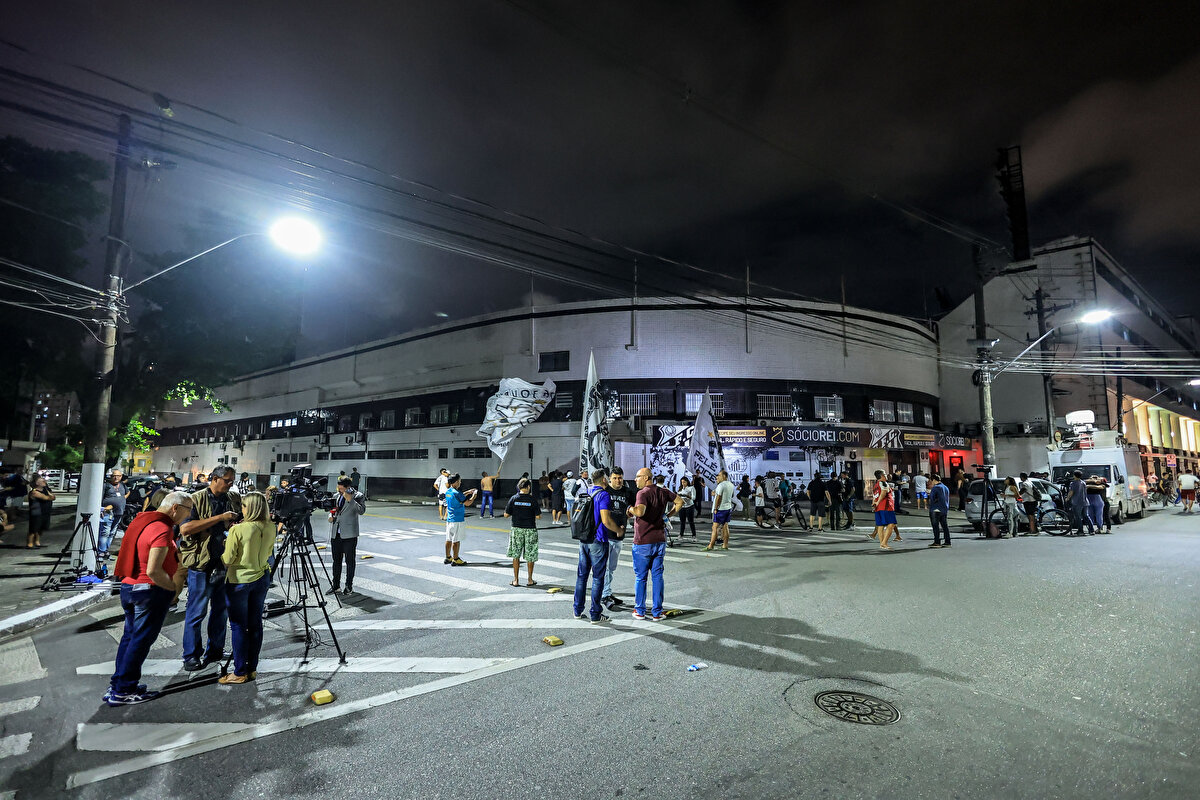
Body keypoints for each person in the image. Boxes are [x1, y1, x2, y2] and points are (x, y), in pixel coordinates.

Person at [105, 490, 193, 706]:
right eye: (188, 511)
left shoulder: (143, 520)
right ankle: (124, 690)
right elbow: (154, 569)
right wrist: (171, 588)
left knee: (130, 638)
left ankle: (118, 684)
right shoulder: (162, 528)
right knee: (140, 641)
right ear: (175, 508)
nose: (188, 516)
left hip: (130, 586)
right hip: (149, 590)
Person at [178, 466, 241, 671]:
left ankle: (215, 649)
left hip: (225, 563)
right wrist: (220, 518)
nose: (230, 484)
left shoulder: (232, 498)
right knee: (196, 612)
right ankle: (191, 655)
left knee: (220, 611)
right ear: (214, 479)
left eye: (232, 480)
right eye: (227, 480)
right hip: (201, 564)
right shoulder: (195, 499)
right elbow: (185, 529)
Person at [219, 492, 274, 684]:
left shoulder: (238, 529)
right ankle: (252, 668)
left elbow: (228, 559)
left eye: (243, 506)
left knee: (238, 625)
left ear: (248, 508)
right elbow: (269, 553)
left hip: (239, 580)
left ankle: (239, 671)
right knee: (255, 623)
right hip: (262, 576)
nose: (241, 509)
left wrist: (225, 545)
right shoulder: (270, 527)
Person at [628, 467, 683, 621]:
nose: (635, 479)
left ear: (646, 478)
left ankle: (640, 610)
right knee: (657, 577)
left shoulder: (642, 493)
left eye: (638, 476)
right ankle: (657, 612)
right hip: (659, 540)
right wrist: (667, 516)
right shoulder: (663, 491)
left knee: (641, 577)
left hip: (643, 541)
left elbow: (640, 512)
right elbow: (680, 502)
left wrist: (630, 509)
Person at [573, 469, 618, 623]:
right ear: (604, 479)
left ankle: (577, 610)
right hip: (598, 540)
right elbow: (606, 520)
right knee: (598, 578)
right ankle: (595, 614)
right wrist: (618, 530)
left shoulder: (585, 492)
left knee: (582, 577)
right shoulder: (603, 495)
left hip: (584, 539)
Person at [601, 466, 636, 608]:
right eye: (615, 478)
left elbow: (633, 508)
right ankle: (604, 594)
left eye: (620, 478)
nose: (617, 481)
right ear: (610, 478)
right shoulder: (605, 491)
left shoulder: (628, 492)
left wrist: (630, 514)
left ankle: (607, 591)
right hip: (605, 535)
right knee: (605, 567)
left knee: (612, 567)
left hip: (619, 535)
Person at [329, 477, 366, 594]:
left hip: (349, 534)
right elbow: (333, 509)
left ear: (348, 487)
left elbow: (361, 511)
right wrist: (330, 516)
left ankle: (349, 586)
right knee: (336, 561)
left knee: (350, 561)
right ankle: (335, 585)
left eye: (341, 489)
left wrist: (351, 500)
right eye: (338, 488)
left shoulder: (358, 496)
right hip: (336, 533)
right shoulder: (336, 495)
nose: (339, 490)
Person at [504, 477, 541, 586]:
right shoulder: (532, 499)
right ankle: (530, 580)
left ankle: (516, 580)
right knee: (530, 555)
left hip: (516, 529)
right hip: (530, 529)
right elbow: (538, 516)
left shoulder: (513, 498)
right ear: (528, 487)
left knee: (516, 555)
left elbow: (506, 515)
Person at [443, 473, 477, 566]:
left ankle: (448, 557)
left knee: (448, 539)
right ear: (455, 482)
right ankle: (456, 559)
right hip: (457, 520)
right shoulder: (457, 493)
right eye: (459, 481)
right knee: (456, 540)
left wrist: (467, 492)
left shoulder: (448, 492)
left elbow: (458, 496)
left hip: (450, 519)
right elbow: (468, 503)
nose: (460, 482)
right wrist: (473, 496)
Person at [97, 469, 127, 560]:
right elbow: (99, 498)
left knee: (112, 533)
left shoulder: (122, 485)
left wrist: (123, 499)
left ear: (121, 477)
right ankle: (101, 552)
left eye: (118, 476)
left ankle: (106, 551)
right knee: (105, 532)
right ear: (111, 476)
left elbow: (128, 492)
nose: (116, 477)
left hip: (119, 512)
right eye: (114, 475)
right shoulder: (106, 485)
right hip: (108, 512)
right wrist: (102, 509)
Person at [706, 470, 735, 550]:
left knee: (714, 527)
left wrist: (716, 508)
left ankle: (711, 545)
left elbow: (718, 498)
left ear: (724, 476)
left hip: (720, 509)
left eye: (719, 475)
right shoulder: (731, 484)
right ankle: (725, 545)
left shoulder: (721, 485)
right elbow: (732, 495)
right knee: (725, 526)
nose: (717, 477)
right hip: (728, 508)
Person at [871, 470, 898, 550]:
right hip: (886, 506)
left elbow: (874, 496)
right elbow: (883, 492)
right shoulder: (883, 483)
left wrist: (874, 503)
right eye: (885, 474)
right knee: (891, 524)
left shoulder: (875, 485)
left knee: (880, 525)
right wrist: (878, 502)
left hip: (878, 508)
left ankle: (882, 543)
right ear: (882, 476)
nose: (886, 476)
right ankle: (884, 543)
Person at [27, 474, 54, 548]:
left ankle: (37, 542)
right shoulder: (34, 492)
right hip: (36, 512)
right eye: (42, 481)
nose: (44, 482)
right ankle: (30, 543)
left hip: (45, 512)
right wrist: (50, 496)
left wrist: (49, 493)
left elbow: (53, 497)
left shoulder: (46, 490)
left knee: (41, 528)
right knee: (34, 528)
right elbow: (46, 498)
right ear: (37, 483)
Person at [1065, 470, 1093, 536]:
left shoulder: (1073, 483)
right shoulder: (1083, 482)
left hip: (1077, 502)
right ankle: (1091, 530)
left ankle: (1080, 530)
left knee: (1078, 517)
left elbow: (1071, 492)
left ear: (1074, 475)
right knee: (1086, 516)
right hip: (1085, 502)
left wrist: (1067, 498)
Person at [928, 474, 951, 548]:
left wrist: (929, 494)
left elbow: (932, 498)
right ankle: (947, 541)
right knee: (945, 526)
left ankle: (937, 542)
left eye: (931, 480)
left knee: (935, 526)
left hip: (935, 508)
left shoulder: (935, 488)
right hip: (944, 509)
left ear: (934, 480)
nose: (931, 482)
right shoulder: (945, 487)